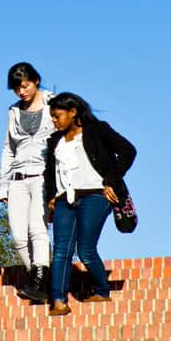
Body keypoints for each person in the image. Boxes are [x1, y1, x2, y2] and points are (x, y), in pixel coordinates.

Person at [43, 92, 136, 317]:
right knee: (61, 250)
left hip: (96, 196)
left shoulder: (97, 130)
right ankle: (58, 300)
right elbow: (49, 172)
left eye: (57, 116)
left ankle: (102, 289)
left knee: (85, 249)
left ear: (73, 112)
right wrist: (51, 197)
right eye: (52, 117)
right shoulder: (55, 141)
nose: (53, 121)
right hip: (66, 199)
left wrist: (111, 182)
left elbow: (128, 151)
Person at [0, 62, 54, 303]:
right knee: (19, 236)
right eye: (16, 88)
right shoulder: (13, 111)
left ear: (36, 81)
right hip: (18, 179)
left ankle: (40, 280)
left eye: (24, 85)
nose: (21, 91)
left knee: (37, 229)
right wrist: (3, 184)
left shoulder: (53, 103)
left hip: (42, 176)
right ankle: (37, 279)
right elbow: (8, 149)